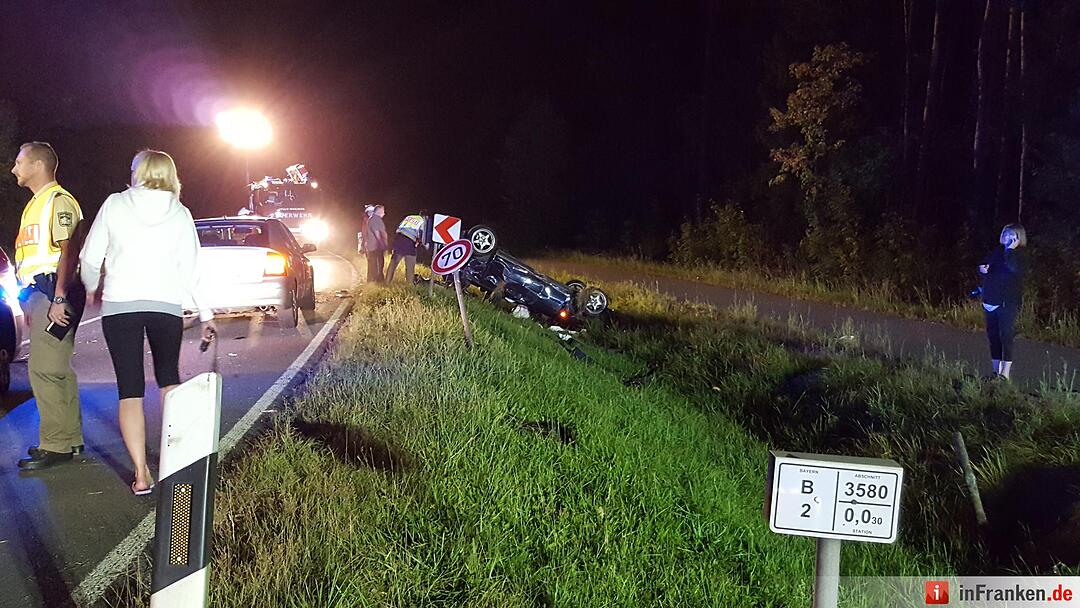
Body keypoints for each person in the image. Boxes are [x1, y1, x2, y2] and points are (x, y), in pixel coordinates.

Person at [79, 150, 215, 495]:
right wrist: (206, 314)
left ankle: (141, 473)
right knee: (169, 380)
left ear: (137, 172)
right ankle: (176, 461)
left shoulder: (114, 204)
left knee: (130, 389)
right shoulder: (181, 213)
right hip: (166, 305)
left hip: (120, 304)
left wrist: (93, 286)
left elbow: (90, 256)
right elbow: (192, 269)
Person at [10, 142, 87, 470]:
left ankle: (55, 444)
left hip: (55, 292)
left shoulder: (58, 201)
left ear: (38, 165)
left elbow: (67, 249)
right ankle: (69, 440)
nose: (14, 169)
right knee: (56, 369)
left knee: (43, 369)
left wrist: (57, 297)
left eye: (18, 162)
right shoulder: (36, 205)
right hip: (41, 294)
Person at [978, 223, 1027, 380]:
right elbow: (987, 265)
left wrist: (1010, 251)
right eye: (1005, 234)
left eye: (1012, 235)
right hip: (990, 300)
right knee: (993, 336)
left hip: (1007, 303)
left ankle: (1004, 375)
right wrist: (983, 268)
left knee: (1006, 336)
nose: (1007, 237)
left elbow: (1015, 270)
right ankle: (995, 371)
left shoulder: (1020, 254)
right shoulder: (997, 250)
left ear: (1019, 238)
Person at [386, 210, 429, 284]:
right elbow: (421, 234)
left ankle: (387, 282)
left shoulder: (409, 217)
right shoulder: (422, 220)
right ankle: (409, 285)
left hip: (398, 238)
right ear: (426, 217)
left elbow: (399, 227)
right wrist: (423, 244)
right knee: (410, 264)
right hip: (409, 241)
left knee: (393, 262)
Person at [363, 204, 388, 283]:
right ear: (379, 211)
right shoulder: (376, 219)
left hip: (372, 246)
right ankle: (377, 281)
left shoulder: (371, 219)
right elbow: (378, 233)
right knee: (377, 264)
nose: (384, 213)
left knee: (373, 264)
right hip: (376, 246)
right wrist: (383, 244)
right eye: (383, 211)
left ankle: (372, 281)